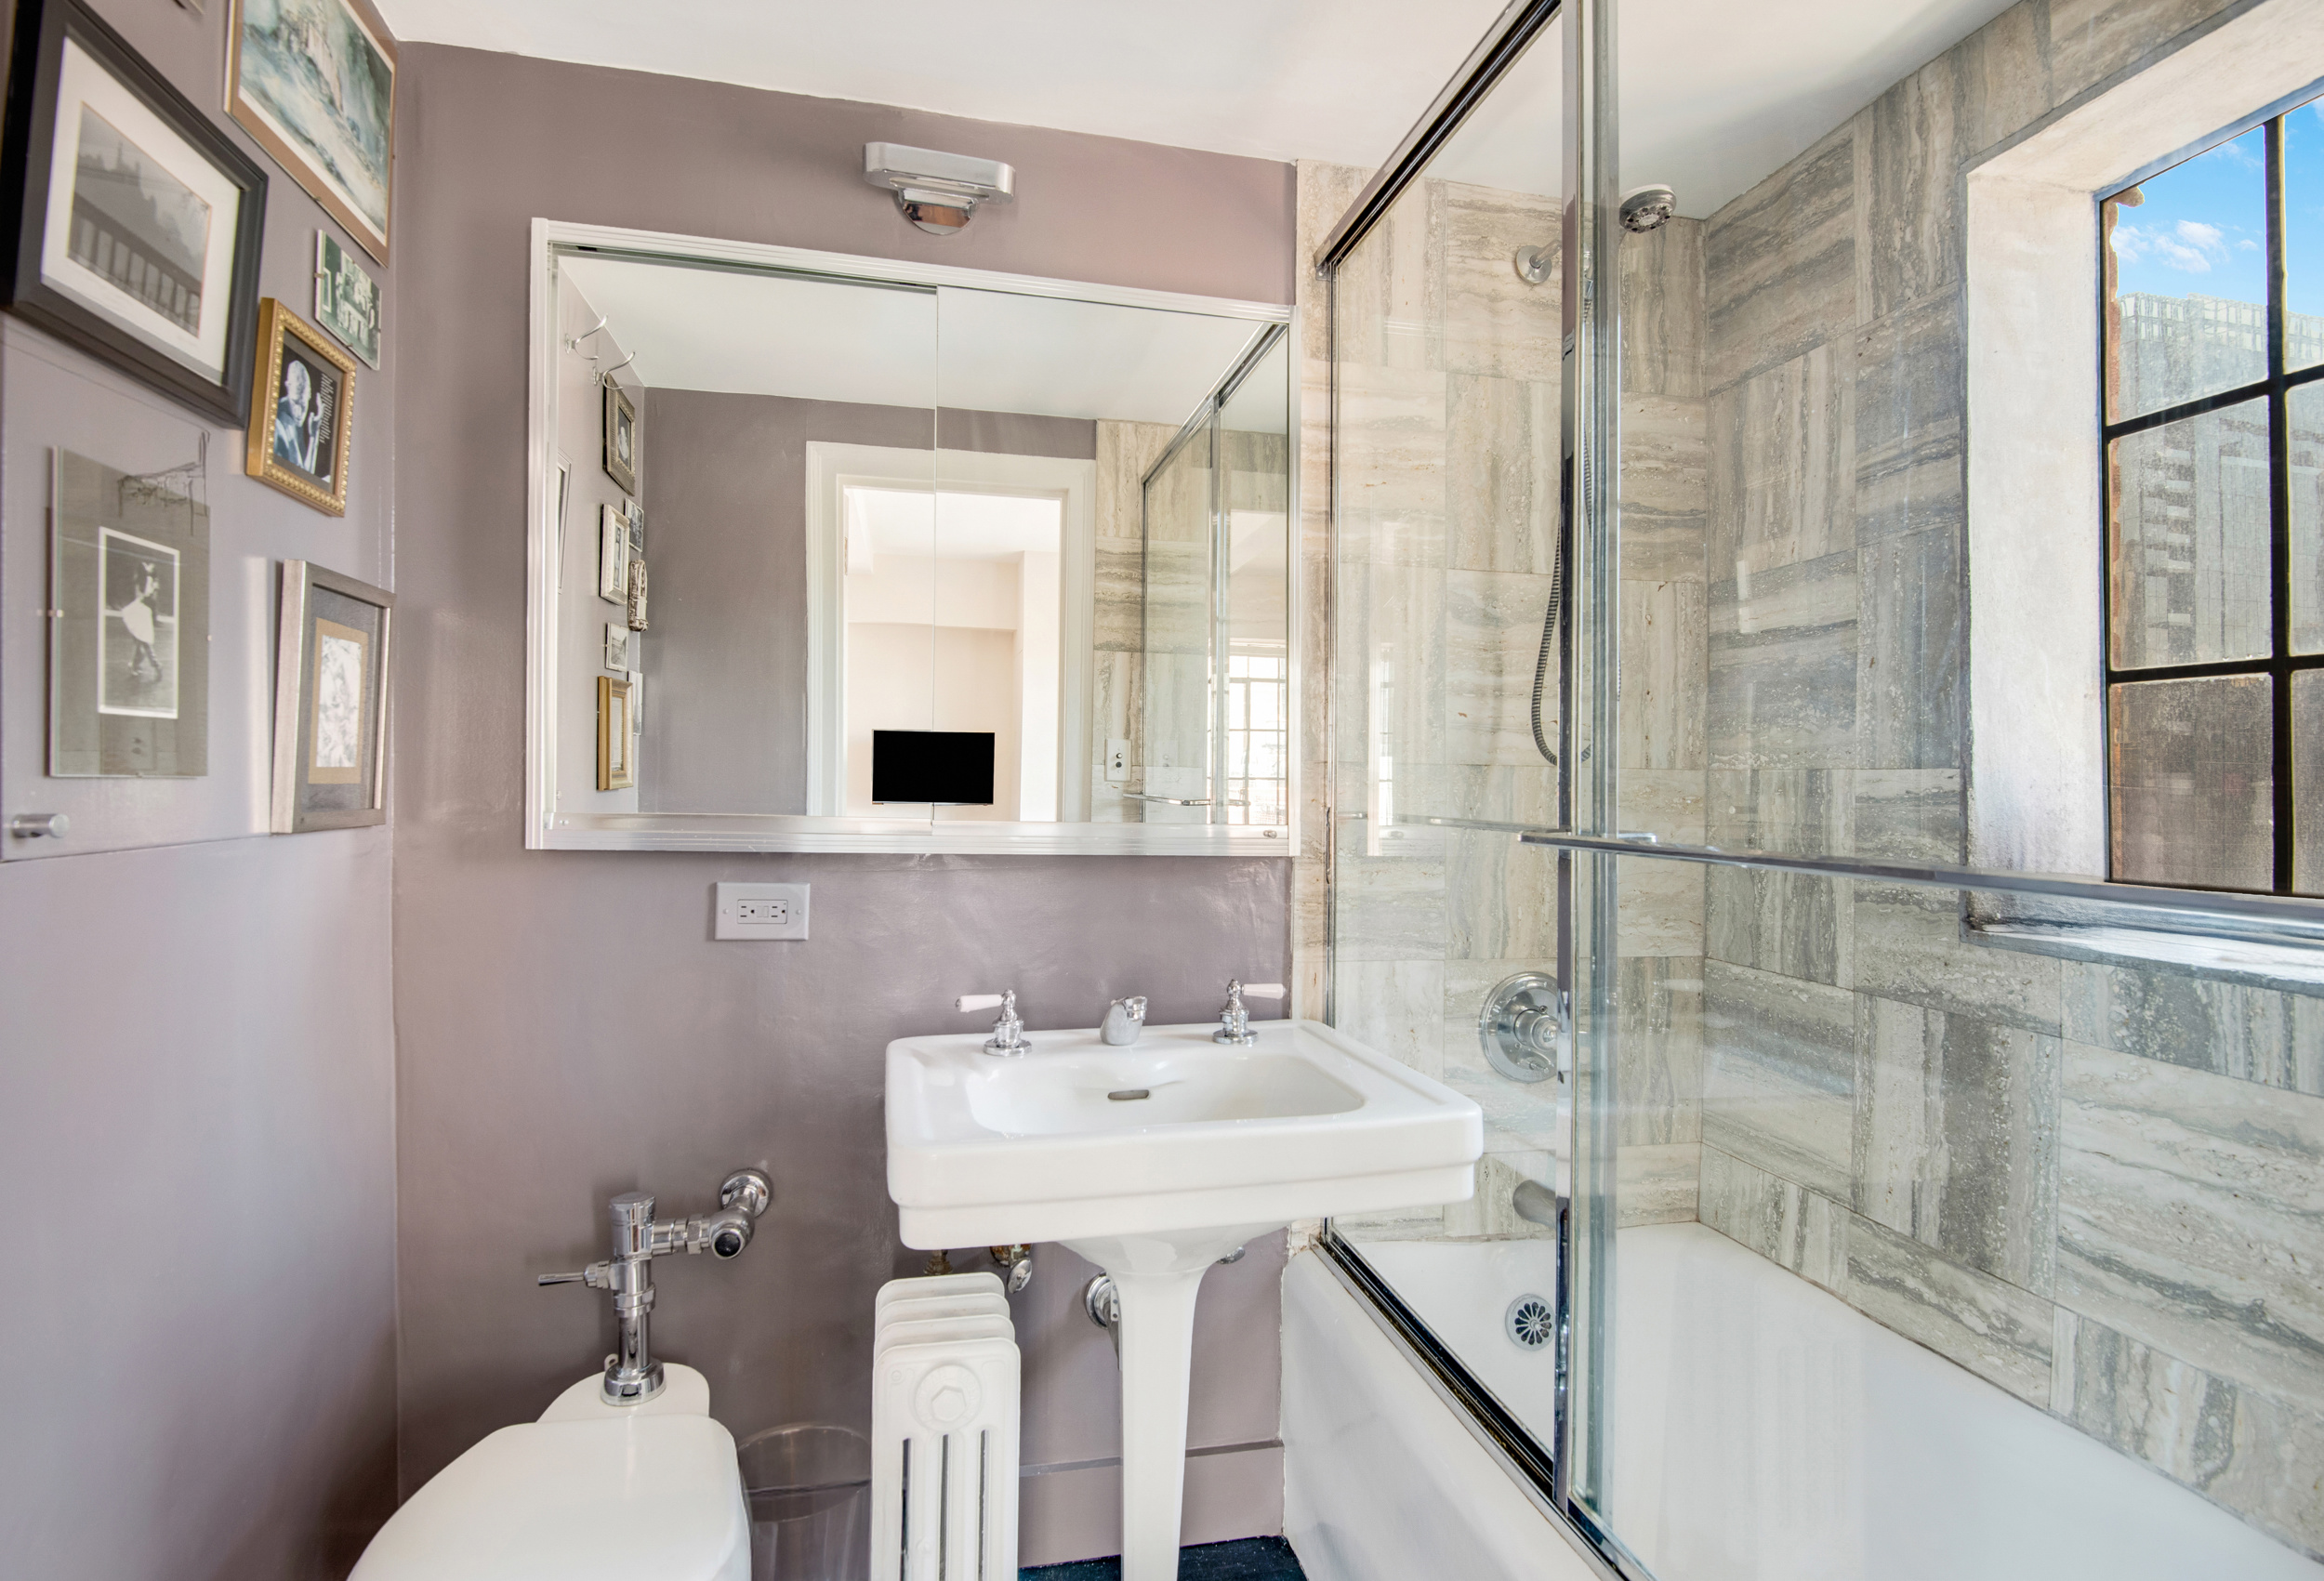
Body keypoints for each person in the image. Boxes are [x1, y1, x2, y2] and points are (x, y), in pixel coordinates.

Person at [274, 358, 319, 473]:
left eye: (303, 405)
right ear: (288, 387)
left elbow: (304, 475)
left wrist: (314, 435)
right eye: (295, 403)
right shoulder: (281, 421)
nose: (299, 413)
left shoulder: (293, 423)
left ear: (309, 397)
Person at [120, 560, 161, 681]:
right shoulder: (143, 581)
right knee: (141, 641)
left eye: (151, 566)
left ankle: (138, 664)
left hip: (143, 612)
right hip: (140, 611)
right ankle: (147, 665)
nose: (148, 566)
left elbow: (151, 599)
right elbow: (142, 595)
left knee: (142, 641)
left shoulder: (150, 582)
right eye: (148, 566)